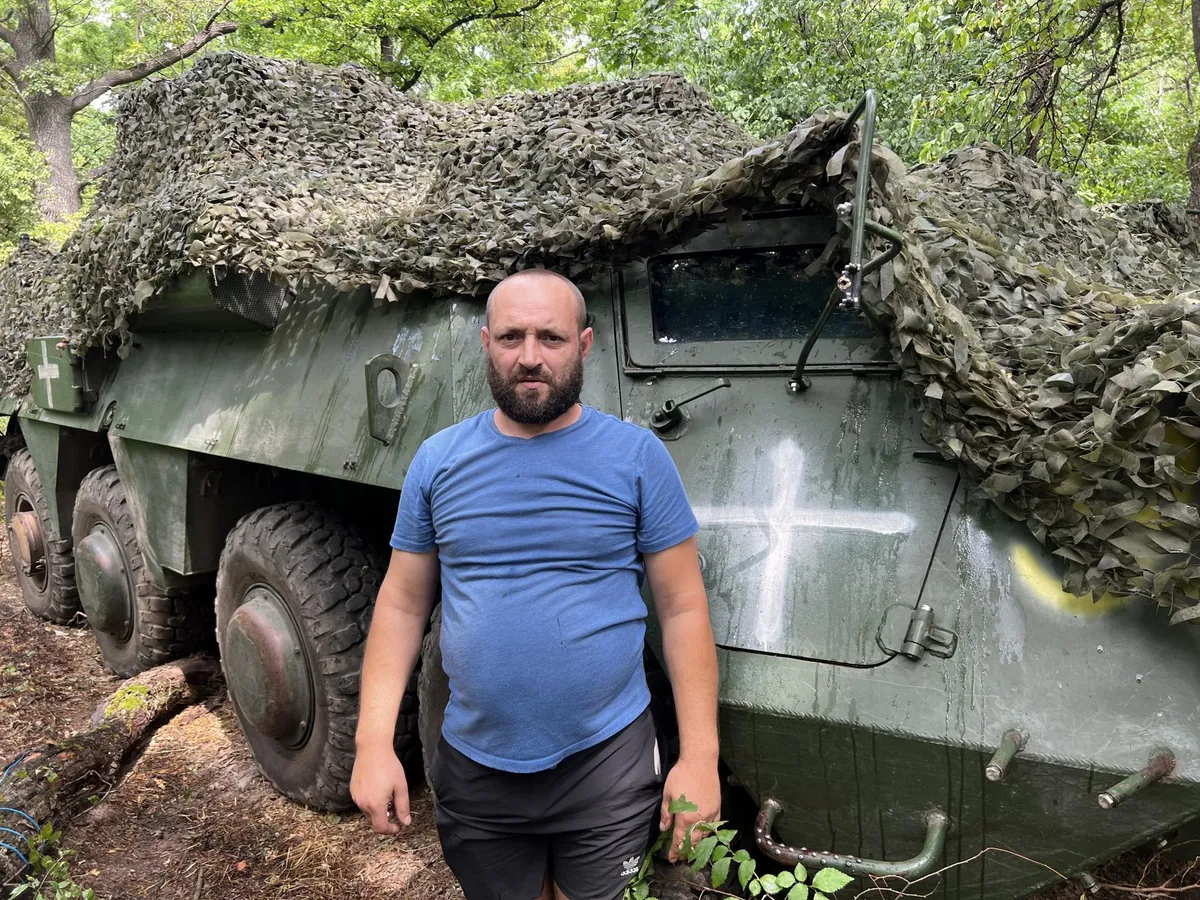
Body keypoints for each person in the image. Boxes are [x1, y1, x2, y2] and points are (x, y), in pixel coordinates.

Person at [350, 269, 720, 900]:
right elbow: (403, 602)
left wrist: (700, 758)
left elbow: (682, 607)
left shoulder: (637, 459)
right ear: (485, 341)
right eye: (511, 337)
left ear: (584, 344)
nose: (529, 357)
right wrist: (372, 741)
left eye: (550, 337)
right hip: (476, 767)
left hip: (607, 761)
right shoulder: (438, 462)